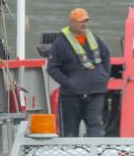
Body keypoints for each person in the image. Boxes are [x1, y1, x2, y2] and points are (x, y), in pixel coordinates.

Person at [47, 8, 111, 137]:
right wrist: (68, 83)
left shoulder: (94, 38)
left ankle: (96, 154)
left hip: (96, 92)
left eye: (86, 21)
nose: (84, 24)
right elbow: (52, 68)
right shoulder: (60, 43)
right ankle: (71, 155)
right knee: (70, 130)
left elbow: (106, 56)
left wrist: (103, 76)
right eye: (80, 21)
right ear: (72, 23)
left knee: (96, 127)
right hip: (72, 95)